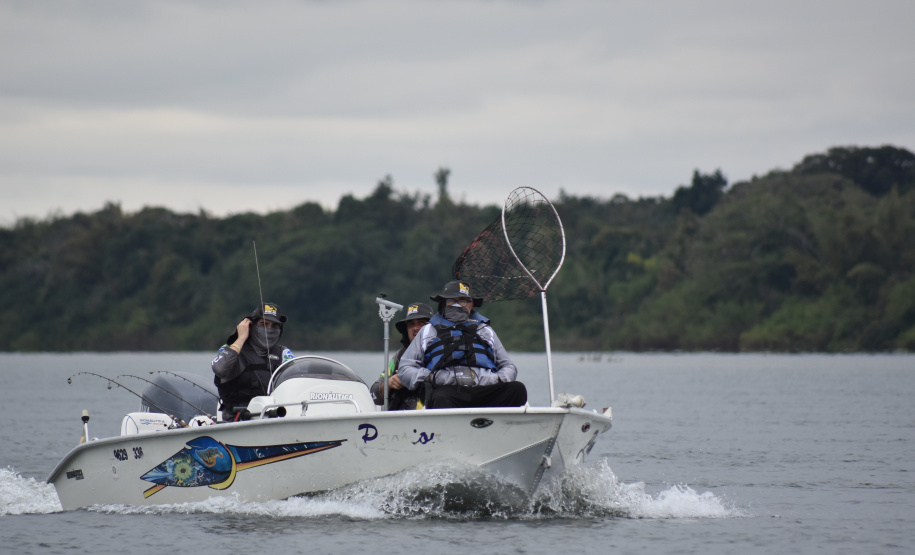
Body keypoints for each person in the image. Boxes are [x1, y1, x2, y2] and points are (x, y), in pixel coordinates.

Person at [396, 281, 527, 409]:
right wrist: (431, 377)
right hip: (449, 390)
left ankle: (500, 425)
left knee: (517, 389)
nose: (457, 305)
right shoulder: (428, 330)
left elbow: (508, 365)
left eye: (462, 301)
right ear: (444, 304)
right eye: (452, 301)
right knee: (440, 397)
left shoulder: (485, 330)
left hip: (485, 388)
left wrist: (498, 379)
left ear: (471, 304)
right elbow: (405, 368)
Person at [211, 302, 294, 420]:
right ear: (251, 326)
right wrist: (241, 338)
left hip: (275, 419)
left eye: (274, 326)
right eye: (264, 324)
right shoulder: (232, 349)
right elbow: (219, 368)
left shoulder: (284, 353)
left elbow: (296, 380)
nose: (269, 329)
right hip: (238, 422)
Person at [370, 301, 434, 410]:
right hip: (400, 421)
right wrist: (389, 383)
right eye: (411, 324)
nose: (416, 328)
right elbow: (374, 394)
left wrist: (410, 379)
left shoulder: (441, 353)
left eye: (422, 323)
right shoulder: (399, 357)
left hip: (432, 418)